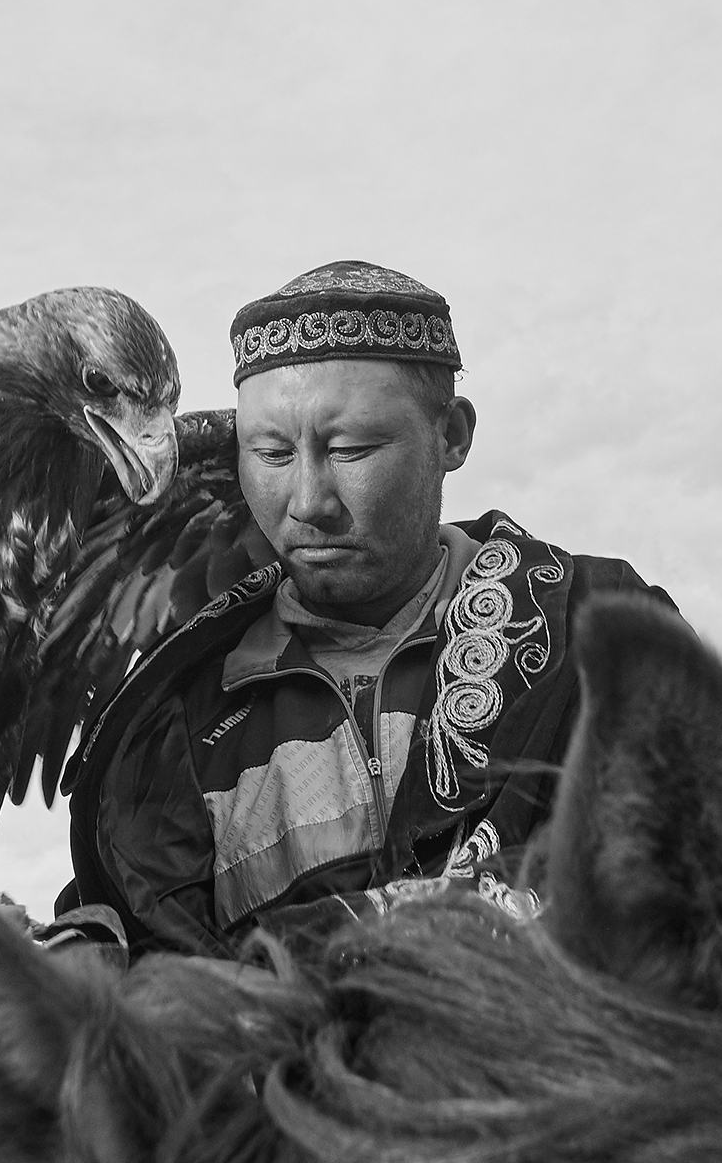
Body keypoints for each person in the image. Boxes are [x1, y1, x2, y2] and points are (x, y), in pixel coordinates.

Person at [48, 261, 671, 963]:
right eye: (271, 453)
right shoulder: (167, 730)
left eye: (351, 449)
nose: (308, 500)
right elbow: (149, 971)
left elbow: (685, 901)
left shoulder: (604, 635)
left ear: (454, 437)